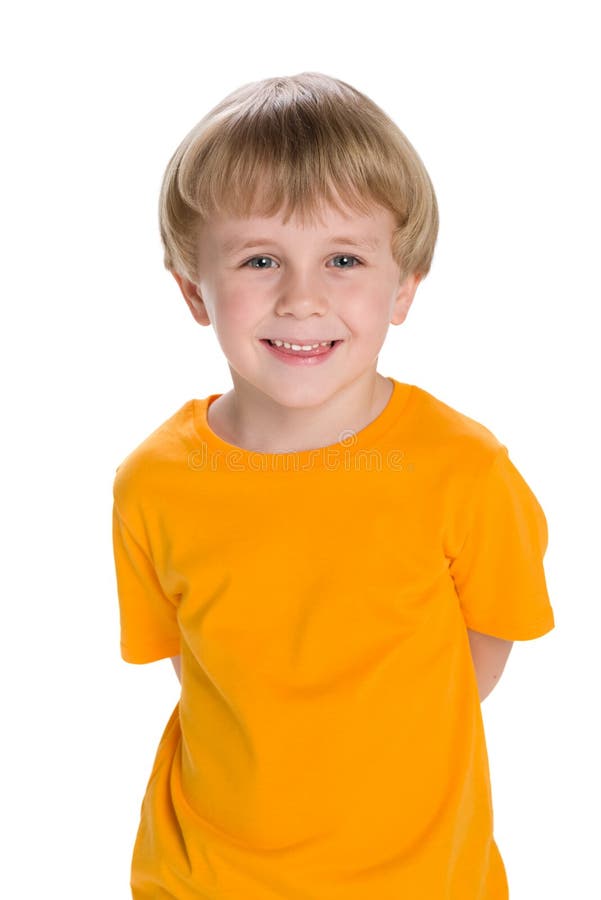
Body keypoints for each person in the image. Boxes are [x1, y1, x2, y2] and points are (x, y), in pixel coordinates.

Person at [111, 71, 555, 899]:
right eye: (259, 259)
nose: (301, 297)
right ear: (191, 290)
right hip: (202, 873)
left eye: (342, 258)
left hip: (419, 880)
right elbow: (195, 664)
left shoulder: (461, 468)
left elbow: (486, 642)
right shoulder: (153, 481)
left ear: (404, 286)